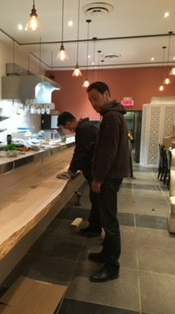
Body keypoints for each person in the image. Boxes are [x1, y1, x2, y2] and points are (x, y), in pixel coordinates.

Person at [86, 81, 131, 282]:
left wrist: (98, 178)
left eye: (95, 98)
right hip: (113, 175)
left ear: (107, 94)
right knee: (106, 218)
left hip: (109, 177)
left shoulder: (111, 117)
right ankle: (106, 254)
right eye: (90, 100)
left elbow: (108, 152)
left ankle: (112, 266)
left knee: (110, 221)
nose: (93, 103)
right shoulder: (113, 115)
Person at [57, 111, 102, 236]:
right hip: (94, 169)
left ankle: (95, 228)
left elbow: (80, 152)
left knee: (97, 200)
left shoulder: (83, 130)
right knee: (96, 199)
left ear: (69, 123)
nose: (67, 130)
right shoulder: (86, 127)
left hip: (94, 170)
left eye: (66, 127)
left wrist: (71, 171)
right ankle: (94, 226)